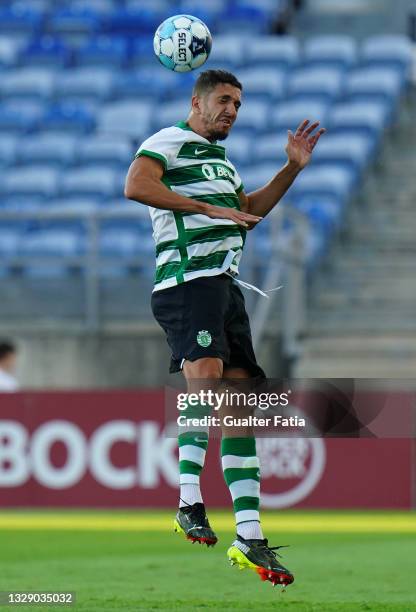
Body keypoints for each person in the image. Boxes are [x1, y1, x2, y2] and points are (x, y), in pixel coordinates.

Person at [125, 69, 325, 589]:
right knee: (207, 383)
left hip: (225, 288)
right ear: (197, 102)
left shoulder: (220, 162)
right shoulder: (169, 141)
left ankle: (249, 534)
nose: (231, 110)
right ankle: (188, 498)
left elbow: (246, 211)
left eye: (237, 103)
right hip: (187, 280)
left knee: (239, 407)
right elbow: (136, 185)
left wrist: (290, 169)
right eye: (223, 101)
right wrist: (202, 207)